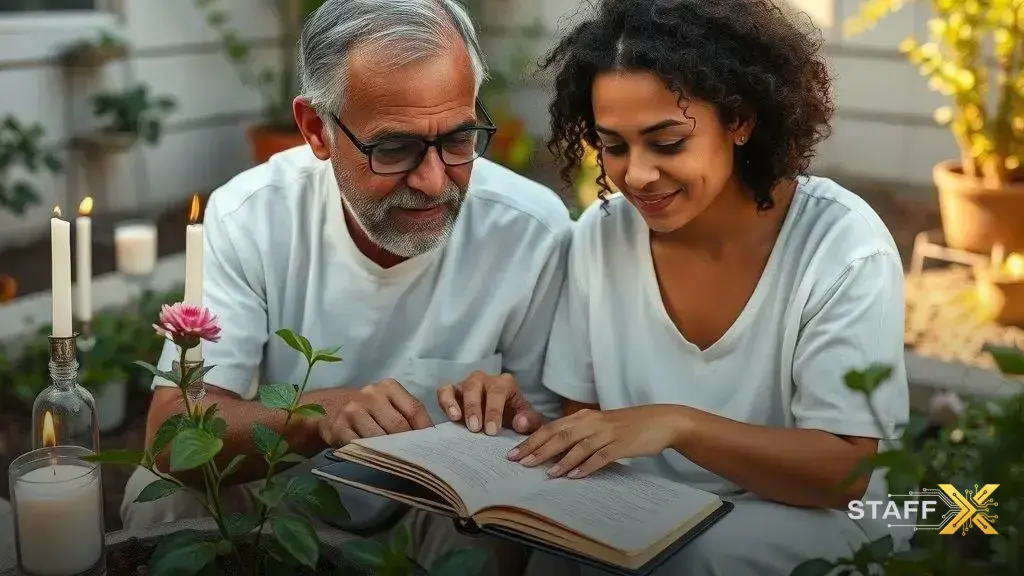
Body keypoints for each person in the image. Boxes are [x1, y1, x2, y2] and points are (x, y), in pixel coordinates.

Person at [119, 1, 572, 574]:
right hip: (279, 500)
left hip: (434, 518)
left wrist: (515, 417)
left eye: (459, 140)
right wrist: (320, 416)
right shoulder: (252, 214)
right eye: (394, 148)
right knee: (158, 497)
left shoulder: (531, 230)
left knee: (494, 533)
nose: (434, 181)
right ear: (317, 130)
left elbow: (558, 437)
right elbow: (172, 434)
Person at [505, 0, 911, 574]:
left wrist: (679, 424)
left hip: (811, 516)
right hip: (648, 509)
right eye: (614, 146)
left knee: (698, 555)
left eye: (667, 142)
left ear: (740, 120)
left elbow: (840, 474)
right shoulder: (600, 235)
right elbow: (586, 417)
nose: (638, 175)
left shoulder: (841, 247)